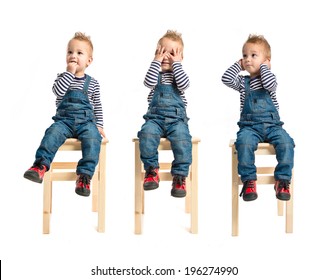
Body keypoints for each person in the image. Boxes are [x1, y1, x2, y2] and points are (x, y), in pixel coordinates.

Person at [24, 32, 106, 197]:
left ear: (89, 61)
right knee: (51, 134)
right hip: (64, 122)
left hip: (86, 123)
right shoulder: (61, 78)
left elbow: (97, 106)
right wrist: (69, 72)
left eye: (79, 53)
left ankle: (84, 176)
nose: (73, 56)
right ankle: (40, 166)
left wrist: (99, 125)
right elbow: (58, 91)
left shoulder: (93, 83)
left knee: (92, 138)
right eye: (70, 52)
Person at [222, 34, 295, 202]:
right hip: (249, 127)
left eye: (253, 55)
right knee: (244, 143)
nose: (248, 59)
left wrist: (264, 68)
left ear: (266, 60)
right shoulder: (242, 82)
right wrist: (238, 65)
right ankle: (249, 180)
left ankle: (282, 180)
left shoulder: (269, 78)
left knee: (286, 143)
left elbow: (270, 84)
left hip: (273, 126)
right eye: (245, 56)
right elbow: (225, 78)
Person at [137, 30, 192, 198]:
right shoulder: (156, 75)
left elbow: (184, 85)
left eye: (173, 53)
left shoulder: (178, 76)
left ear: (181, 57)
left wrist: (176, 65)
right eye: (163, 52)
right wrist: (156, 61)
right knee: (146, 133)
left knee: (183, 139)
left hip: (177, 120)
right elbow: (148, 82)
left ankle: (180, 176)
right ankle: (151, 170)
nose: (167, 56)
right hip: (155, 119)